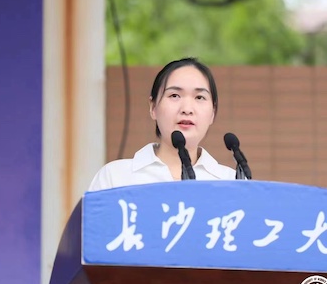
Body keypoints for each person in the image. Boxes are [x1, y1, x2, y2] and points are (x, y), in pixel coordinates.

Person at [88, 57, 236, 191]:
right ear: (153, 107)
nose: (187, 109)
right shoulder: (115, 178)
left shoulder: (232, 182)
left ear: (213, 112)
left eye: (199, 97)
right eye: (174, 95)